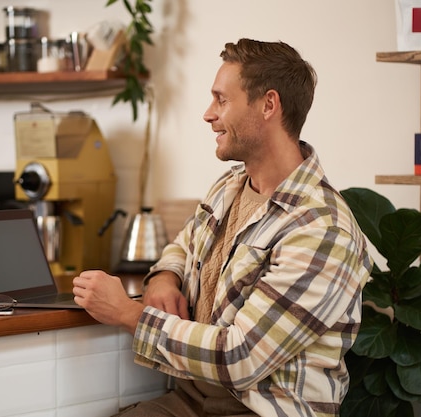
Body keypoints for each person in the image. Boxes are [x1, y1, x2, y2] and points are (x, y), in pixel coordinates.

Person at [72, 38, 372, 417]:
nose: (208, 114)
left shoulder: (322, 228)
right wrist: (164, 277)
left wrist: (128, 314)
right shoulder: (229, 186)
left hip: (259, 410)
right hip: (191, 400)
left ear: (268, 105)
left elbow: (240, 356)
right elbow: (182, 245)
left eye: (221, 100)